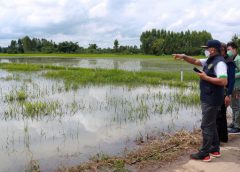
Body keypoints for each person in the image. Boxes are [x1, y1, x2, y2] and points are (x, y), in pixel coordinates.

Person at [173, 40, 228, 162]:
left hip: (212, 99)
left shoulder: (220, 63)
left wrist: (205, 77)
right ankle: (215, 149)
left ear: (213, 50)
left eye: (207, 48)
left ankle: (204, 153)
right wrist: (184, 56)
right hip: (209, 97)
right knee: (211, 124)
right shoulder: (210, 60)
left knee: (206, 126)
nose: (206, 50)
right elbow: (195, 61)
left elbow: (224, 81)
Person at [216, 43, 235, 142]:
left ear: (223, 51)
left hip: (225, 91)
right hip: (219, 91)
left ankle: (221, 138)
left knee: (221, 115)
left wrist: (228, 95)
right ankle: (222, 138)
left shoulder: (229, 62)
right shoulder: (220, 60)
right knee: (220, 115)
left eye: (219, 51)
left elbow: (231, 80)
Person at [227, 41, 240, 134]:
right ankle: (234, 122)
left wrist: (232, 75)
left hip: (237, 87)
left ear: (235, 49)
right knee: (233, 106)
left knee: (237, 106)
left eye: (229, 49)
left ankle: (237, 126)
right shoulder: (231, 59)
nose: (228, 51)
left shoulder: (238, 59)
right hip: (233, 86)